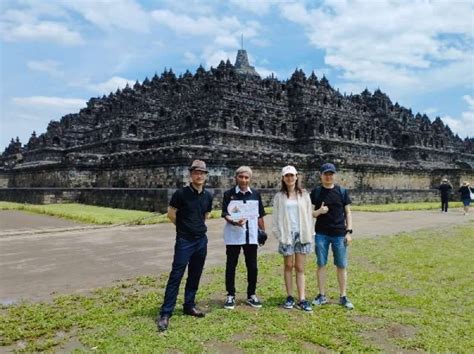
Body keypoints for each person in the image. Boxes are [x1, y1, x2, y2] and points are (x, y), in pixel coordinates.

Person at [156, 160, 213, 332]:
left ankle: (189, 305)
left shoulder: (208, 195)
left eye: (202, 173)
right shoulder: (180, 194)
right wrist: (184, 229)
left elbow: (206, 215)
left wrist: (196, 228)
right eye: (196, 172)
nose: (199, 175)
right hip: (185, 240)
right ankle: (166, 312)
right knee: (176, 275)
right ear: (191, 175)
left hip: (201, 240)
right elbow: (171, 214)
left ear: (205, 175)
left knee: (195, 273)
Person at [310, 163, 354, 309]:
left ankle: (343, 296)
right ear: (321, 175)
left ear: (334, 175)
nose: (328, 176)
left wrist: (349, 232)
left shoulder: (341, 191)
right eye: (325, 174)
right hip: (321, 233)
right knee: (321, 264)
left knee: (341, 265)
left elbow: (347, 212)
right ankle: (321, 295)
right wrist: (319, 211)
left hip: (339, 234)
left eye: (331, 174)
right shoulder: (316, 192)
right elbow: (310, 214)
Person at [221, 166, 266, 309]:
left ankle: (251, 295)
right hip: (234, 235)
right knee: (231, 265)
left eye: (246, 177)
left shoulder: (255, 194)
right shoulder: (229, 194)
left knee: (252, 266)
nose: (244, 180)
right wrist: (234, 221)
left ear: (250, 179)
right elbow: (225, 214)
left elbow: (260, 215)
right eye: (241, 177)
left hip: (251, 236)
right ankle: (230, 295)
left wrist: (262, 232)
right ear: (236, 177)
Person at [272, 165, 314, 312]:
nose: (290, 178)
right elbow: (275, 218)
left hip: (301, 233)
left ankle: (302, 298)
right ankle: (290, 296)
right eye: (287, 176)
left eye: (292, 175)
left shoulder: (304, 195)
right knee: (288, 266)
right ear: (283, 178)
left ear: (297, 177)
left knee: (300, 267)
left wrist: (310, 233)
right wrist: (279, 235)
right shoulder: (279, 197)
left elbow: (309, 215)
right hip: (286, 234)